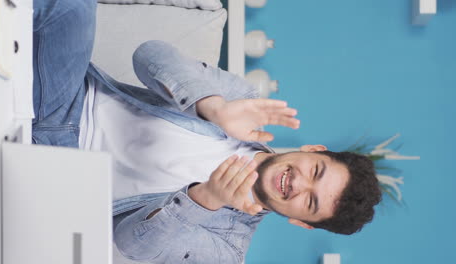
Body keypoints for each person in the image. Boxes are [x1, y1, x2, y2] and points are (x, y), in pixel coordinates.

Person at [31, 0, 382, 263]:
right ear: (315, 150)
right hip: (67, 94)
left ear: (301, 223)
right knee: (72, 6)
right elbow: (150, 54)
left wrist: (208, 198)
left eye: (310, 201)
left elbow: (132, 243)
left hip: (64, 174)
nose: (298, 184)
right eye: (315, 172)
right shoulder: (244, 103)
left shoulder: (228, 249)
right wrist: (214, 108)